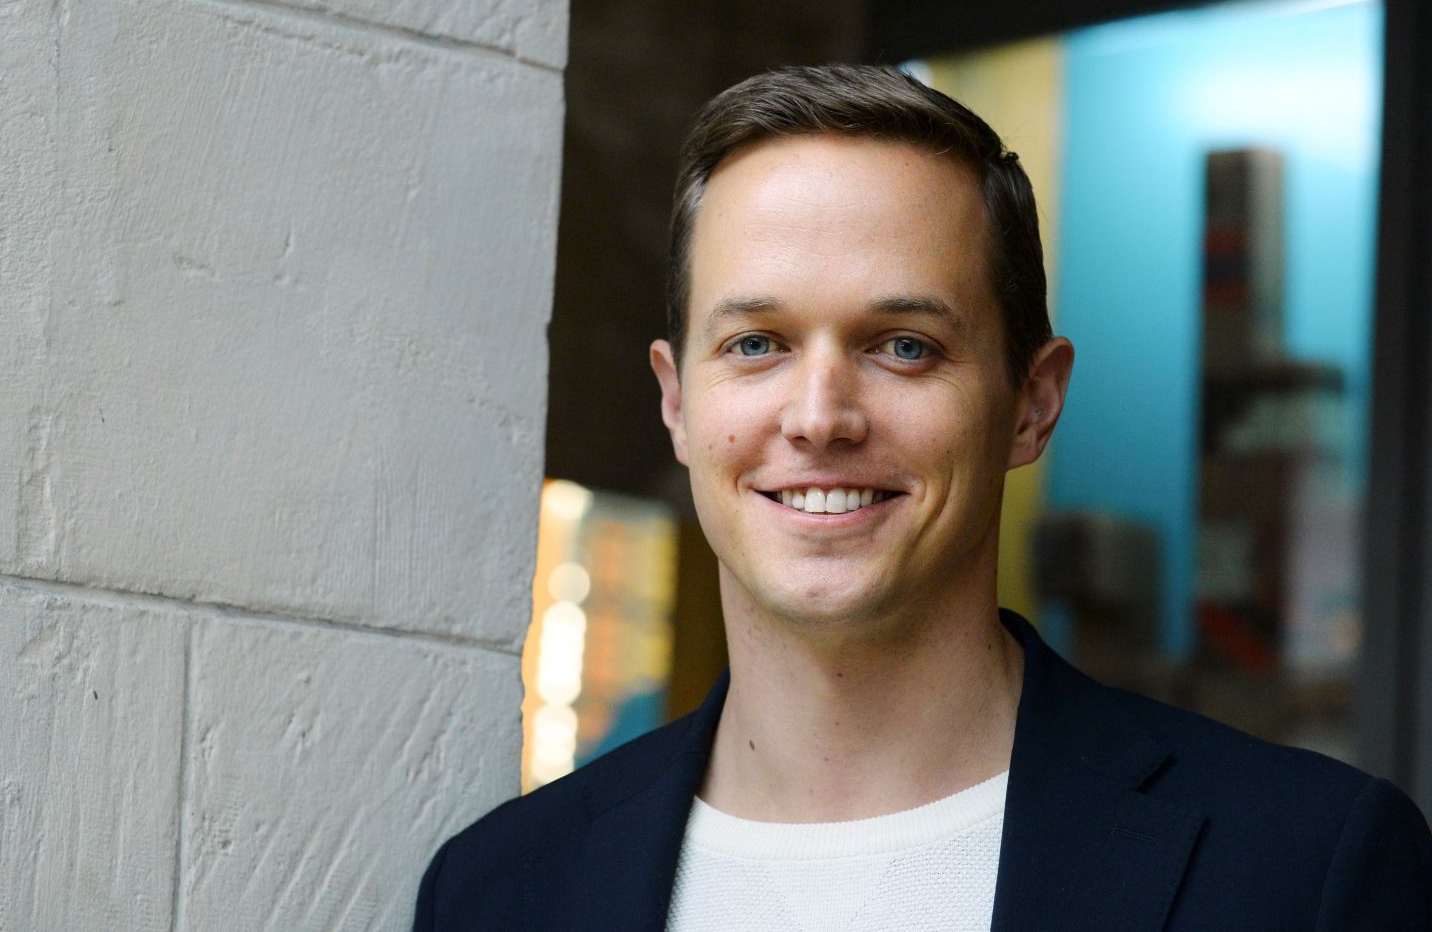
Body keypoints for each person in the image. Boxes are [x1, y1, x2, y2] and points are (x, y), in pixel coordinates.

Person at [413, 64, 1432, 931]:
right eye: (756, 344)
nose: (819, 417)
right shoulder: (498, 891)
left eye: (903, 346)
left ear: (1031, 405)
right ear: (678, 402)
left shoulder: (1306, 870)